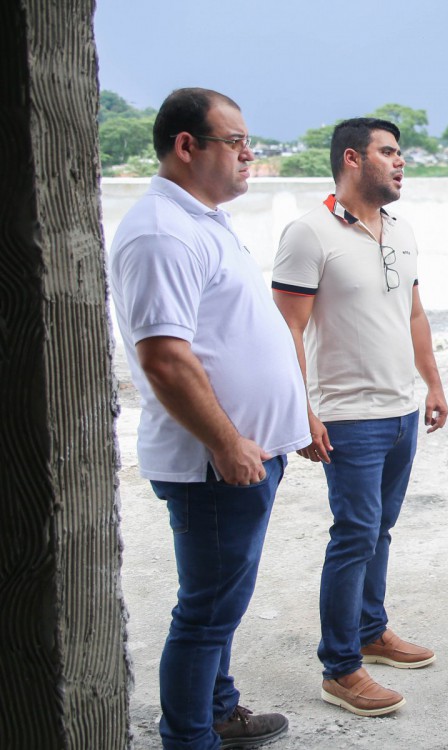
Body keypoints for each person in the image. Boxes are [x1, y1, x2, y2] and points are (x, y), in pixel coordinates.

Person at [109, 87, 308, 750]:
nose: (250, 155)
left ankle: (220, 713)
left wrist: (291, 424)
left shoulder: (201, 220)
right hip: (213, 464)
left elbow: (234, 336)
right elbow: (167, 360)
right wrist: (226, 443)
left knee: (220, 608)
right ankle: (190, 737)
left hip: (244, 454)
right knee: (204, 614)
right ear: (187, 146)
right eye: (237, 142)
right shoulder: (162, 233)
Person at [271, 117, 448, 717]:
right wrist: (302, 412)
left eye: (401, 153)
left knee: (380, 530)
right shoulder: (308, 233)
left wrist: (432, 384)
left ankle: (372, 631)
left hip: (401, 411)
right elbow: (288, 330)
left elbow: (415, 315)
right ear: (353, 158)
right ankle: (340, 667)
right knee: (353, 535)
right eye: (389, 152)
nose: (401, 162)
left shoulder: (400, 230)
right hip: (348, 416)